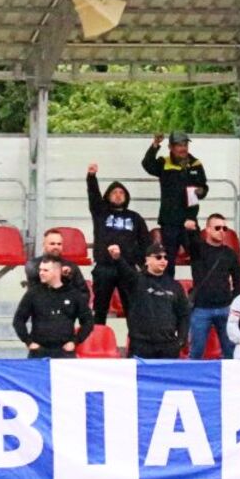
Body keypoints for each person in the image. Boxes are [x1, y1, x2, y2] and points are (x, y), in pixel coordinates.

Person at [104, 241, 188, 359]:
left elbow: (184, 314)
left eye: (165, 257)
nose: (163, 260)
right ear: (147, 260)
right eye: (158, 257)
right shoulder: (136, 281)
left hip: (168, 346)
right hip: (141, 346)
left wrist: (181, 340)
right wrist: (117, 258)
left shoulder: (175, 285)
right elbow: (124, 271)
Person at [86, 164, 148, 321]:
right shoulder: (100, 213)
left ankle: (135, 337)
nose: (118, 195)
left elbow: (145, 242)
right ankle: (98, 336)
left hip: (127, 268)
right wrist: (91, 177)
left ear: (126, 197)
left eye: (121, 193)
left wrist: (141, 265)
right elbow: (93, 195)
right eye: (114, 192)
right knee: (100, 309)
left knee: (132, 309)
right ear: (107, 196)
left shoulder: (135, 217)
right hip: (104, 268)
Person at [181, 213, 240, 359]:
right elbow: (188, 241)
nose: (221, 231)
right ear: (208, 229)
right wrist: (190, 230)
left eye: (224, 228)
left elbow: (238, 281)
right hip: (201, 309)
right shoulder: (197, 249)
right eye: (217, 227)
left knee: (231, 352)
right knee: (196, 352)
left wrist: (234, 304)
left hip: (225, 308)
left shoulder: (230, 254)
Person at [12, 254, 95, 357]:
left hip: (65, 352)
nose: (41, 273)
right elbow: (18, 320)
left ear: (57, 271)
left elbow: (88, 321)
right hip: (38, 351)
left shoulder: (73, 294)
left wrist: (75, 341)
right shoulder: (33, 293)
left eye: (45, 270)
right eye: (40, 270)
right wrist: (28, 341)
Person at [142, 133, 208, 248]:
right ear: (170, 147)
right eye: (179, 145)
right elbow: (147, 164)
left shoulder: (196, 164)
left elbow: (203, 186)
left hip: (190, 219)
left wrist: (201, 191)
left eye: (185, 145)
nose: (183, 148)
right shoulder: (164, 162)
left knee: (197, 254)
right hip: (169, 221)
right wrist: (155, 145)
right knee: (169, 256)